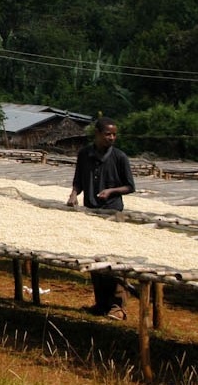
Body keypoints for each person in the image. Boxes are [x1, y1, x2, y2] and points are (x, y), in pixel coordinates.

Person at [68, 117, 136, 320]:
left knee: (114, 261)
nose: (112, 138)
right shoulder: (84, 154)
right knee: (95, 259)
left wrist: (111, 191)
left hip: (113, 212)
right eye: (108, 134)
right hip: (91, 212)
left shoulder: (119, 157)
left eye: (114, 134)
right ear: (97, 134)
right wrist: (74, 194)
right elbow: (78, 180)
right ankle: (101, 303)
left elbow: (130, 186)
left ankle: (117, 306)